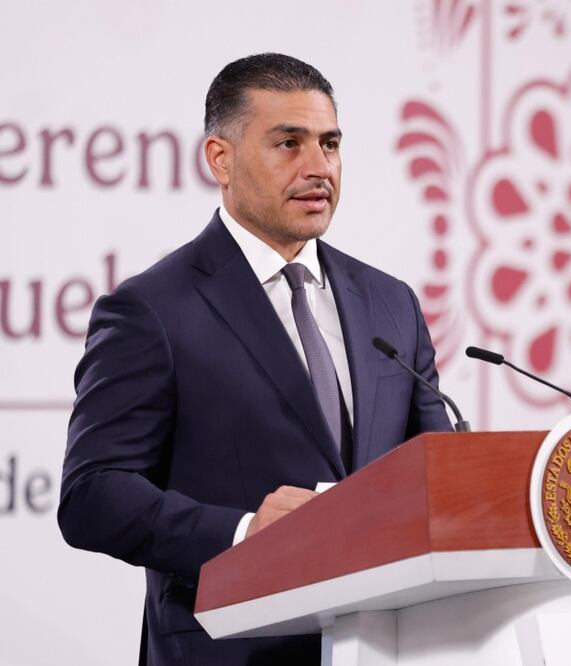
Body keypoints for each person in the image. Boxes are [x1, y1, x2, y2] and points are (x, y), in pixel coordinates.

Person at [57, 53, 452, 666]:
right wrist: (243, 533)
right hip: (232, 650)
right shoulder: (152, 310)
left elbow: (438, 472)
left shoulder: (390, 302)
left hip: (387, 645)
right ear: (221, 158)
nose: (318, 167)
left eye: (330, 143)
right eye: (288, 143)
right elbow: (92, 496)